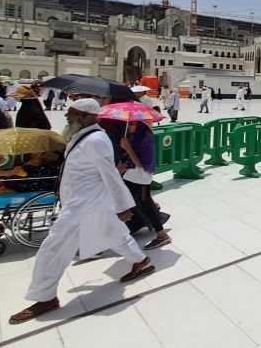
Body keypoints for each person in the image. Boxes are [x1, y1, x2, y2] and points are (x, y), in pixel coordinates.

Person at [8, 99, 155, 325]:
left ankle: (45, 297)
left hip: (83, 204)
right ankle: (140, 260)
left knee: (52, 248)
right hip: (84, 201)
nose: (67, 117)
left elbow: (110, 175)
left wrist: (123, 206)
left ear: (87, 116)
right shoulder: (84, 136)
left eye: (72, 114)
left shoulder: (96, 140)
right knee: (112, 233)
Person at [118, 121, 171, 250]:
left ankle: (161, 235)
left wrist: (127, 147)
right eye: (129, 124)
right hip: (133, 175)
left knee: (144, 204)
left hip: (141, 176)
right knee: (137, 202)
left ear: (140, 124)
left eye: (133, 124)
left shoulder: (146, 138)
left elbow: (141, 164)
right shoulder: (136, 136)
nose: (129, 127)